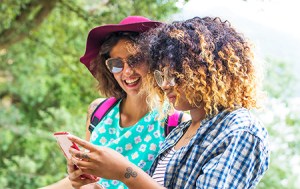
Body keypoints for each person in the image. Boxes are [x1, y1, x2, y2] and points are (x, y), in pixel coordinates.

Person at [67, 16, 270, 188]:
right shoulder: (181, 133)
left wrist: (125, 172)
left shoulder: (240, 130)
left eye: (175, 74)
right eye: (161, 75)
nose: (165, 84)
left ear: (206, 72)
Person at [42, 16, 189, 189]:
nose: (126, 71)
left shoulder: (177, 123)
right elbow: (89, 181)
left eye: (135, 60)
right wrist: (78, 181)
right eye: (116, 64)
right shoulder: (99, 110)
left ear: (155, 61)